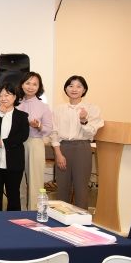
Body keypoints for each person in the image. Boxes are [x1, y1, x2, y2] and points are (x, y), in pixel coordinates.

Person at [51, 75, 104, 209]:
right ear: (66, 89)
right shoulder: (58, 109)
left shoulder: (92, 108)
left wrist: (83, 120)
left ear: (84, 90)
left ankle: (81, 220)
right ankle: (61, 218)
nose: (74, 89)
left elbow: (91, 133)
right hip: (62, 148)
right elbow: (54, 132)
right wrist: (58, 154)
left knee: (81, 188)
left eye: (79, 86)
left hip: (82, 148)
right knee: (62, 188)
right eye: (71, 86)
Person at [0, 83, 29, 211]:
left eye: (7, 95)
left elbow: (23, 136)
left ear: (15, 97)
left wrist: (3, 143)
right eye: (0, 95)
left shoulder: (22, 116)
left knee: (13, 194)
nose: (3, 98)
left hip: (14, 161)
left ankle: (14, 219)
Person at [17, 71, 53, 211]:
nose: (31, 87)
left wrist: (39, 126)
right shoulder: (15, 103)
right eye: (28, 83)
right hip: (17, 144)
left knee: (35, 181)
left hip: (35, 143)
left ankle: (34, 213)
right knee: (18, 181)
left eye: (35, 84)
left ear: (39, 87)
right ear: (22, 84)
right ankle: (20, 212)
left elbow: (48, 130)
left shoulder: (43, 106)